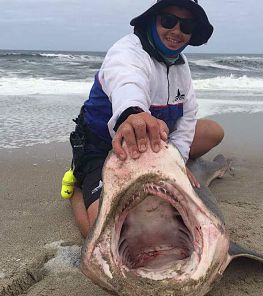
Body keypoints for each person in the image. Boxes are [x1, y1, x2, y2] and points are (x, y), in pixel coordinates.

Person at [69, 0, 224, 238]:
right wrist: (133, 114)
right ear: (153, 20)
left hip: (154, 144)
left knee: (213, 131)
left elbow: (188, 115)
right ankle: (80, 186)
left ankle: (171, 165)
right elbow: (127, 81)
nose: (176, 31)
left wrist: (178, 163)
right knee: (102, 232)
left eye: (187, 25)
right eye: (169, 21)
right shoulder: (126, 52)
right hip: (107, 148)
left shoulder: (181, 65)